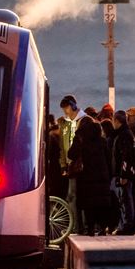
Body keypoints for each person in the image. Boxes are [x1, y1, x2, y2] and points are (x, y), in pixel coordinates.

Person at [67, 116, 111, 235]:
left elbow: (71, 154)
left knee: (88, 203)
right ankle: (102, 228)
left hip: (86, 175)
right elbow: (108, 158)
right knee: (101, 203)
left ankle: (90, 228)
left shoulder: (80, 139)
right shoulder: (102, 140)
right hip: (102, 175)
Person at [58, 95, 87, 226]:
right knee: (72, 195)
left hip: (80, 165)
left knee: (74, 195)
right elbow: (62, 147)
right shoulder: (65, 124)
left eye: (67, 108)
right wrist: (63, 164)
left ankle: (77, 225)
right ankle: (75, 224)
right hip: (70, 165)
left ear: (72, 106)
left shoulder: (85, 121)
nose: (66, 112)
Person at [111, 110, 135, 235]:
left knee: (125, 199)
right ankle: (127, 224)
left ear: (117, 121)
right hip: (125, 172)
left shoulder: (124, 135)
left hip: (124, 173)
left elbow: (126, 156)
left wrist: (123, 174)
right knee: (126, 198)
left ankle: (127, 225)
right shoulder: (126, 134)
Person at [46, 114, 66, 199]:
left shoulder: (51, 135)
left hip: (54, 165)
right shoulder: (63, 135)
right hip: (62, 165)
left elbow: (49, 152)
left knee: (55, 187)